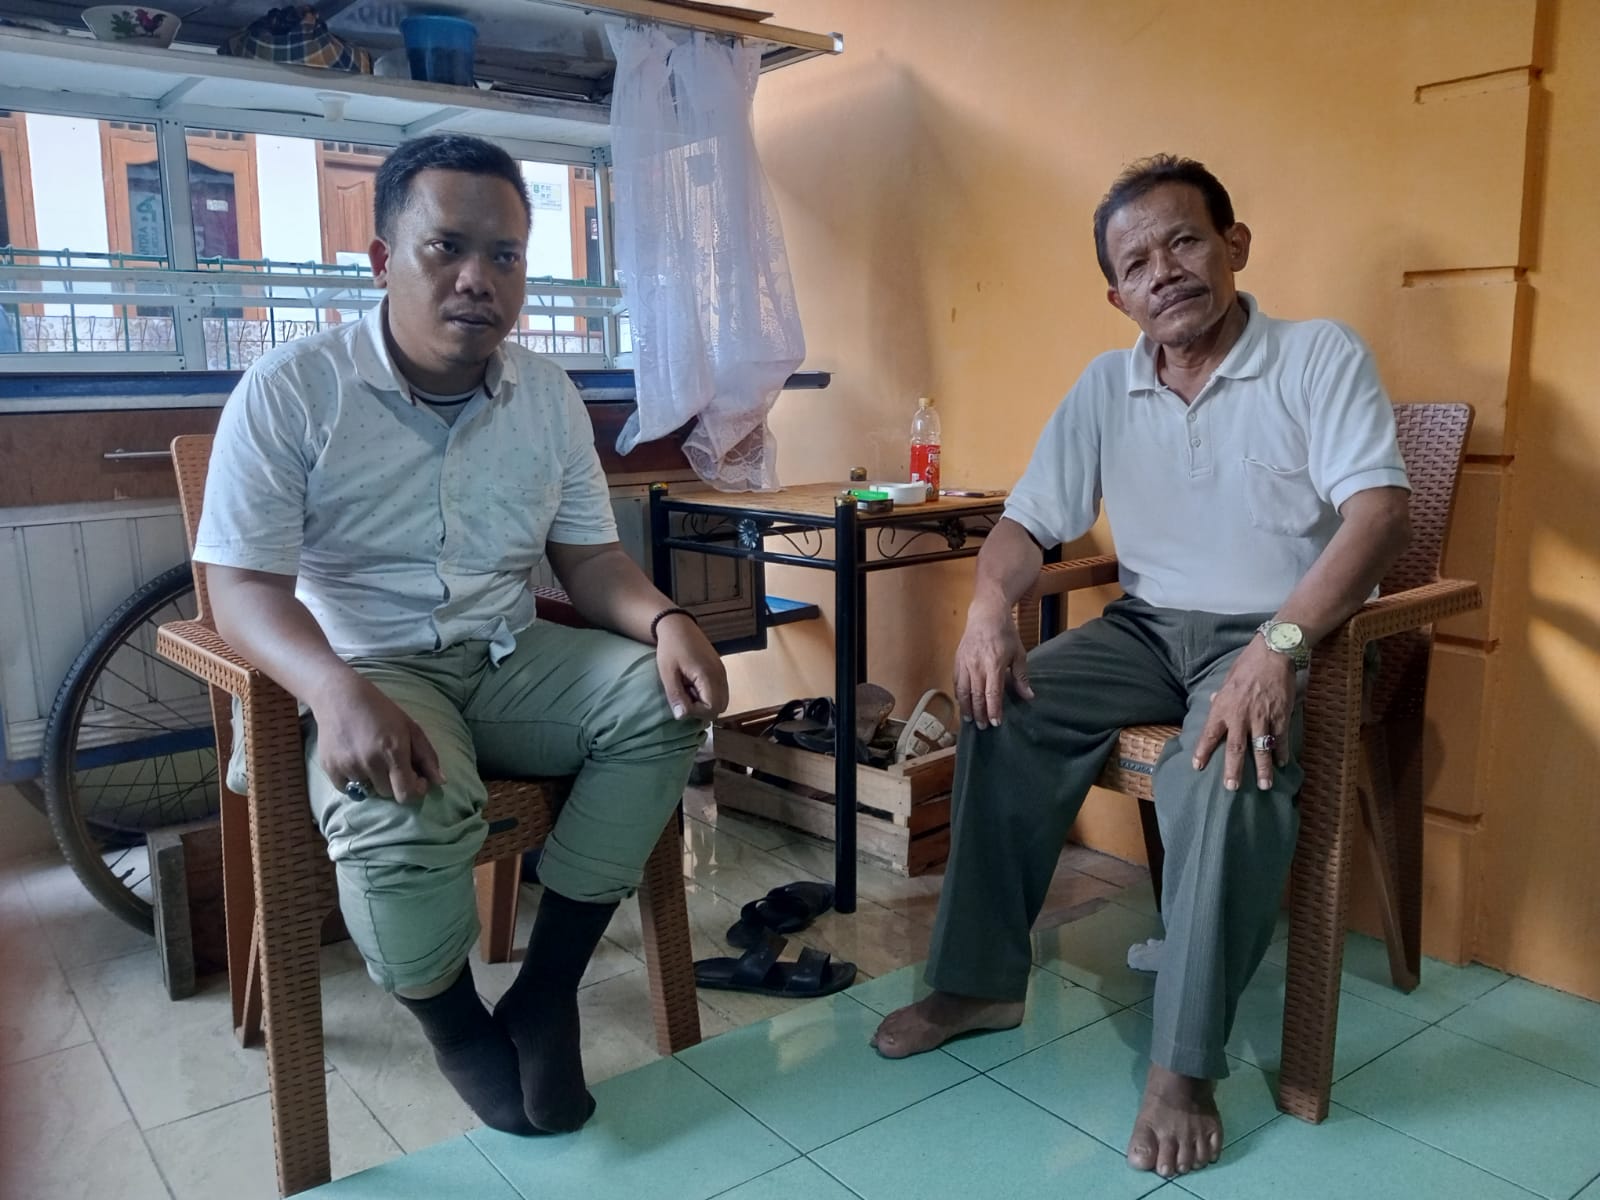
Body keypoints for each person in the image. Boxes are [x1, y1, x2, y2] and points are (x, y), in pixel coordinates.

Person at [870, 155, 1412, 1179]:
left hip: (1280, 629)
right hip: (1149, 627)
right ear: (1116, 295)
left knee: (1221, 767)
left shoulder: (1316, 355)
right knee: (1001, 705)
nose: (1163, 271)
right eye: (1135, 263)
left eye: (1184, 241)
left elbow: (1379, 517)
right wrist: (987, 611)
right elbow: (1025, 522)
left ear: (1233, 245)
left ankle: (1183, 1065)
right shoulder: (1105, 386)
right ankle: (979, 981)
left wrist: (1279, 646)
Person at [193, 133, 729, 1136]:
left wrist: (665, 619)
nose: (478, 279)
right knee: (403, 809)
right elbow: (242, 590)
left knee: (662, 705)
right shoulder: (292, 389)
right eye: (446, 247)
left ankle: (545, 990)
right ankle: (453, 1027)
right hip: (368, 666)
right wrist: (332, 690)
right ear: (381, 259)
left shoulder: (546, 397)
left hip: (507, 654)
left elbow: (590, 563)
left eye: (505, 256)